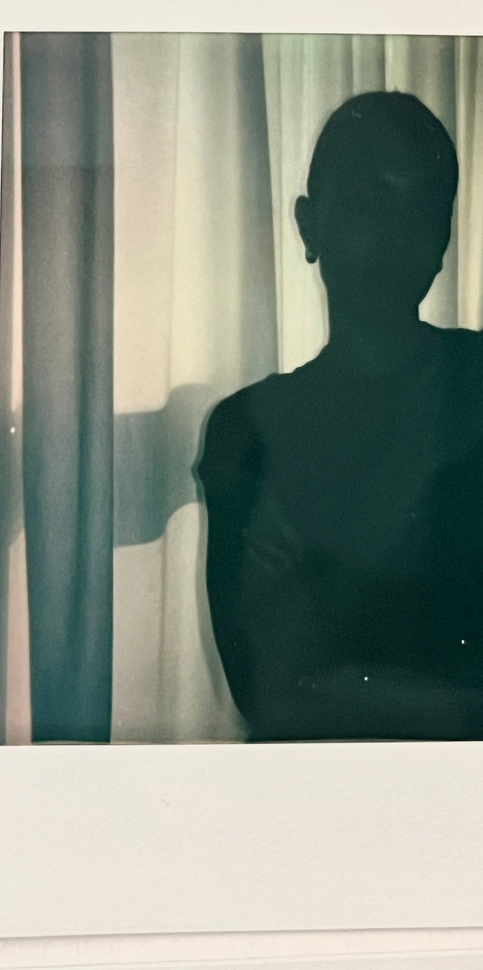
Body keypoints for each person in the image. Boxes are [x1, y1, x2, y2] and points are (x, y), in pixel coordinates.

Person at [197, 91, 483, 741]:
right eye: (365, 202)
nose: (394, 234)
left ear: (444, 237)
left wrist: (316, 623)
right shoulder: (247, 430)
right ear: (308, 225)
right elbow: (267, 696)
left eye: (421, 208)